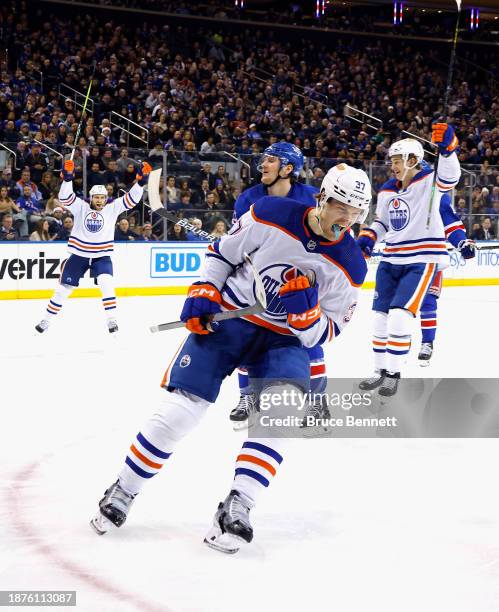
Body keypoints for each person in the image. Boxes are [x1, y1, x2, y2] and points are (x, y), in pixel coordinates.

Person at [90, 162, 371, 553]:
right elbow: (222, 254)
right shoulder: (270, 214)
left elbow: (331, 329)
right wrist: (204, 290)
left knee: (281, 414)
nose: (346, 217)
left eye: (356, 211)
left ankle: (239, 504)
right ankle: (124, 488)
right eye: (341, 205)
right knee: (180, 411)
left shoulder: (351, 264)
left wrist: (307, 319)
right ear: (322, 197)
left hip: (284, 341)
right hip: (232, 319)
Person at [357, 123, 465, 396]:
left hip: (421, 259)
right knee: (380, 319)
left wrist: (448, 148)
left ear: (413, 160)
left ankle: (393, 372)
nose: (393, 166)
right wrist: (369, 239)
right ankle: (379, 370)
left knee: (399, 318)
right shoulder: (386, 190)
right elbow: (382, 222)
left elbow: (451, 176)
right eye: (391, 160)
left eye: (398, 160)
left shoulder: (430, 181)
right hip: (390, 259)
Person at [229, 142, 321, 428]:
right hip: (261, 279)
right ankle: (247, 396)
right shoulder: (248, 198)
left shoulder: (311, 197)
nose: (263, 165)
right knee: (248, 335)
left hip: (299, 281)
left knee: (309, 338)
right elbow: (238, 243)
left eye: (271, 160)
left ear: (288, 168)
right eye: (264, 159)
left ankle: (317, 403)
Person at [34, 159, 151, 335]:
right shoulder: (81, 207)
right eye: (96, 197)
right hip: (79, 255)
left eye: (102, 197)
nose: (99, 200)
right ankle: (46, 320)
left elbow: (131, 200)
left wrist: (141, 182)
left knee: (106, 282)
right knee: (62, 290)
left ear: (106, 198)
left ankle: (111, 320)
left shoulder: (112, 208)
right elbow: (65, 198)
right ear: (91, 197)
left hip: (101, 256)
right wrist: (67, 179)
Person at [417, 194, 476, 365]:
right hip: (401, 257)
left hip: (430, 256)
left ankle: (427, 343)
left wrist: (462, 243)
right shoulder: (395, 190)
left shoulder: (436, 194)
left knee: (428, 301)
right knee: (396, 306)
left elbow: (450, 225)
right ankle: (400, 341)